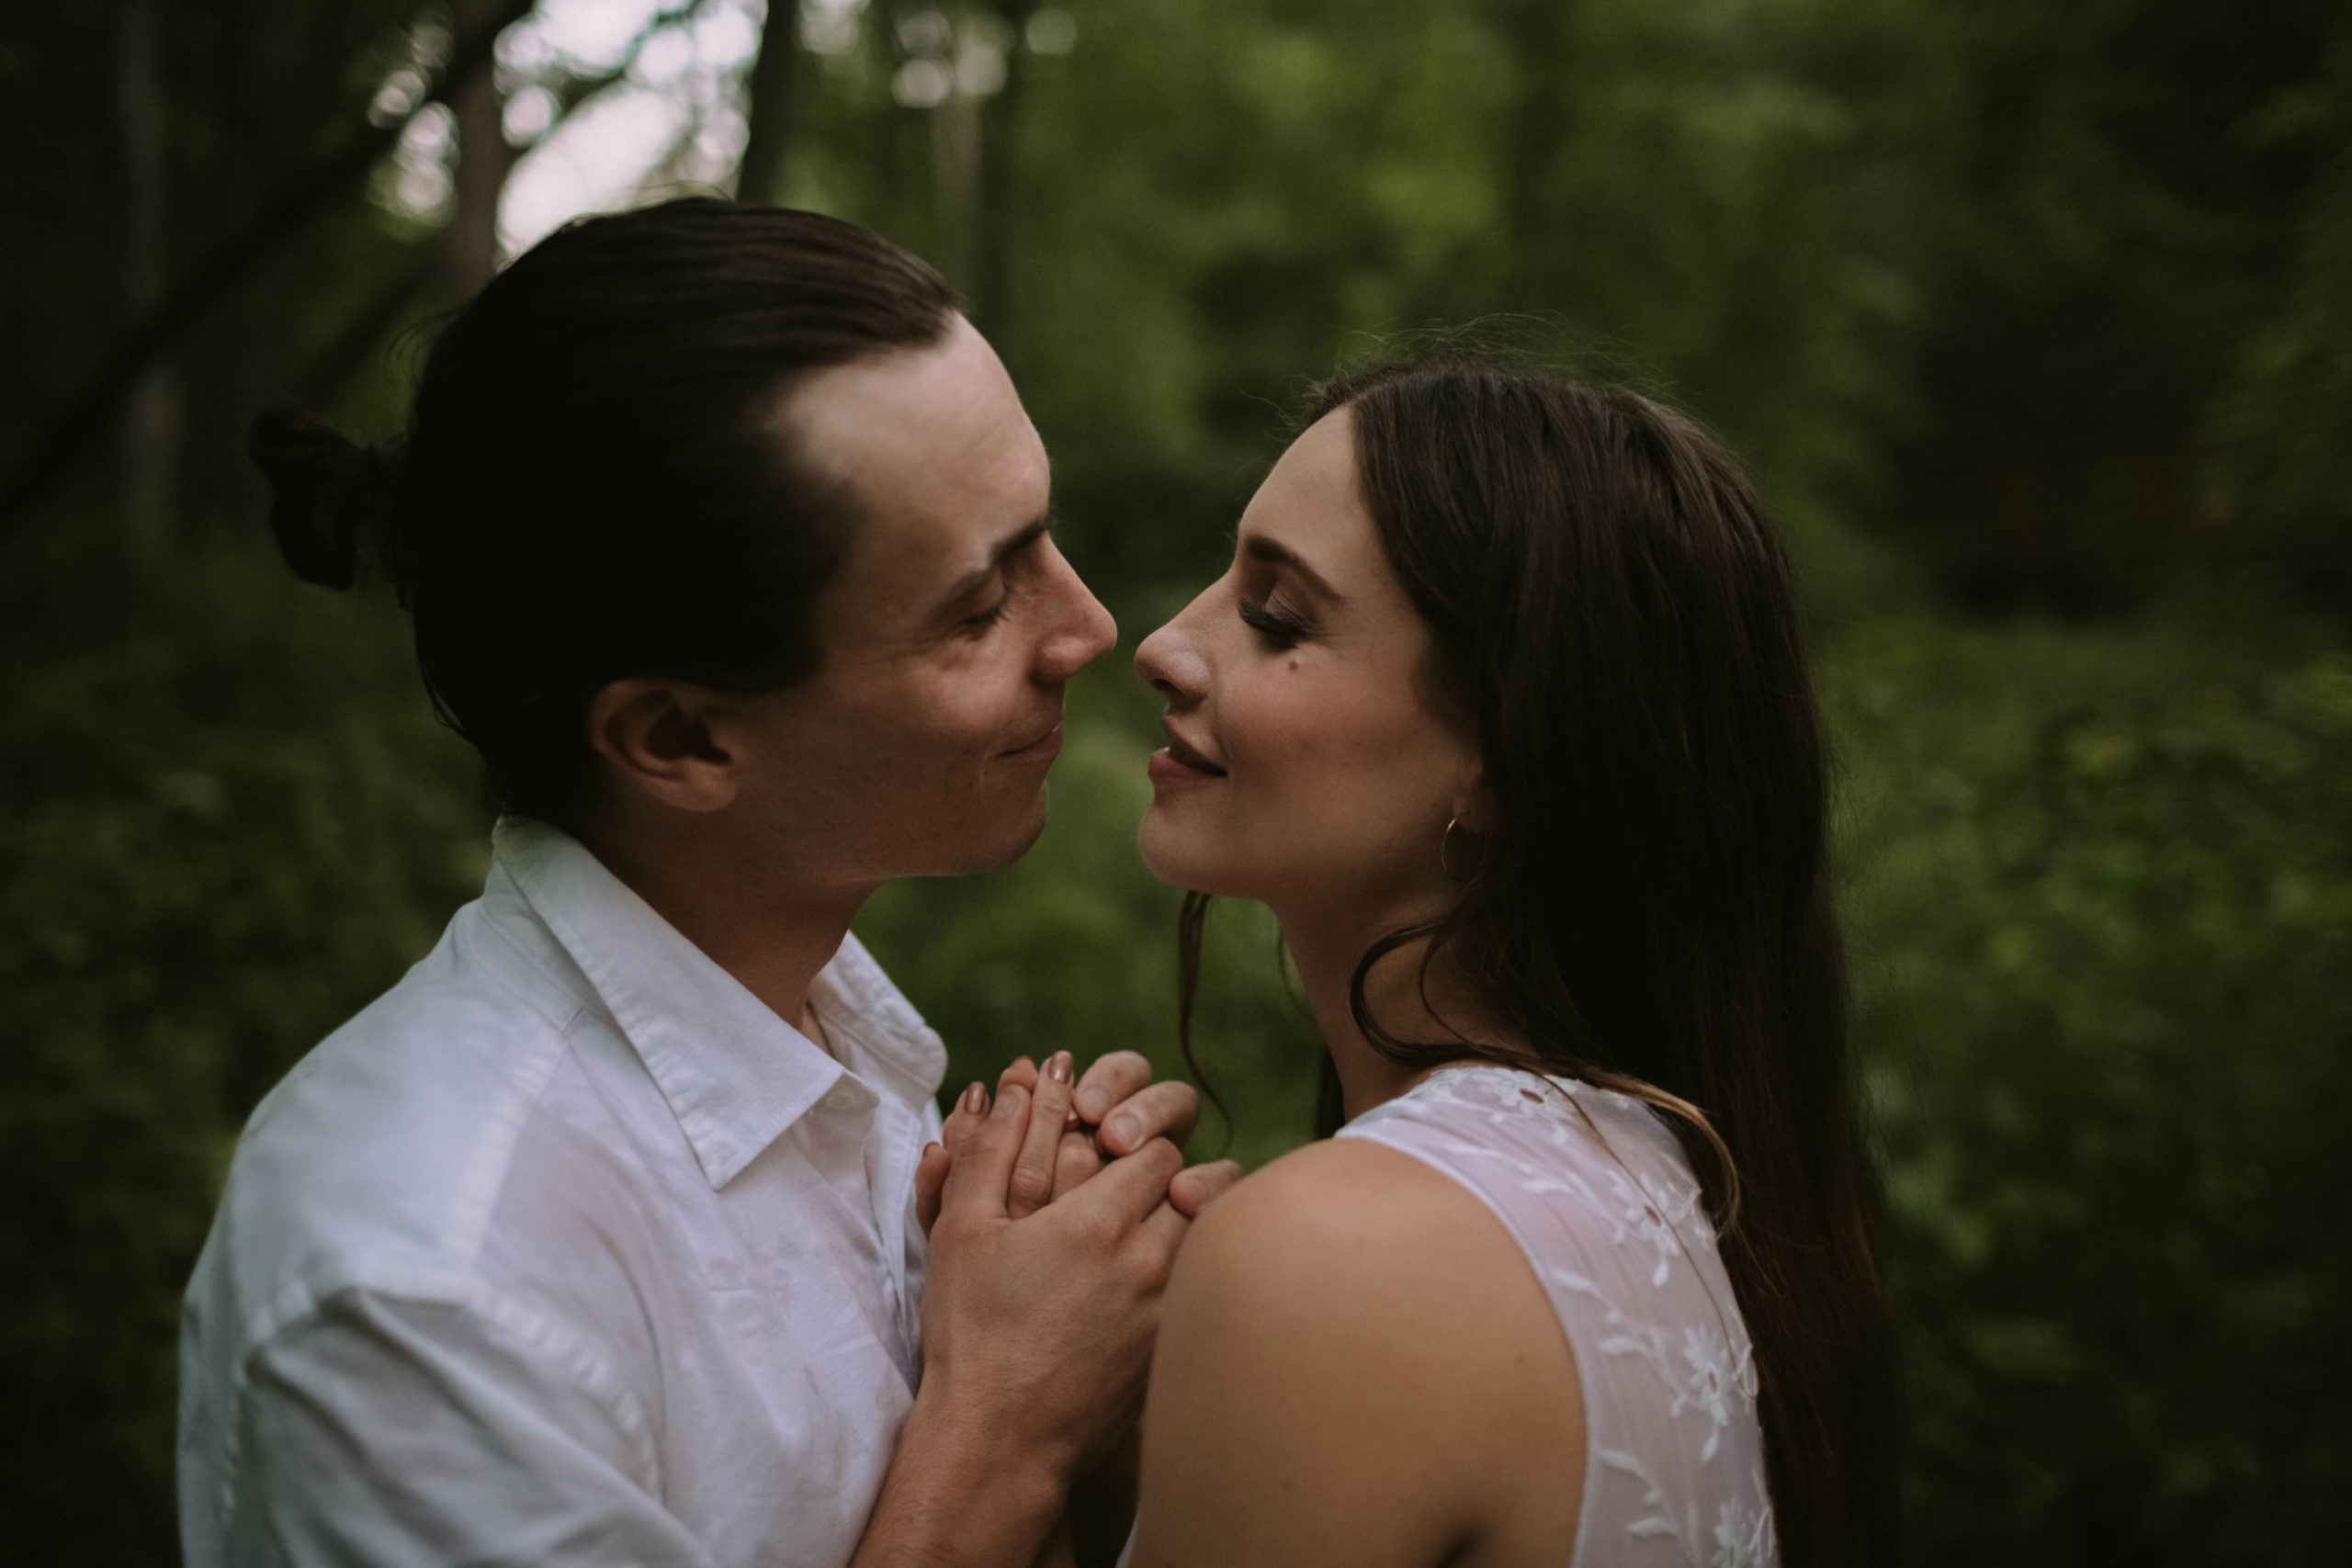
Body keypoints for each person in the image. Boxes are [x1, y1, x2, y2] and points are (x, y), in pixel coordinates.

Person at [180, 198, 1237, 1568]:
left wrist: (1102, 1362)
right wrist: (1003, 1427)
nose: (1091, 626)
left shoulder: (827, 1034)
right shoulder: (426, 1281)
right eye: (980, 607)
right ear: (681, 739)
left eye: (1045, 536)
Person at [933, 356, 1901, 1566]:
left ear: (1502, 754)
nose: (1164, 646)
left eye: (1277, 619)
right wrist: (1126, 1443)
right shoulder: (1660, 1179)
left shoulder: (1343, 1259)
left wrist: (994, 1411)